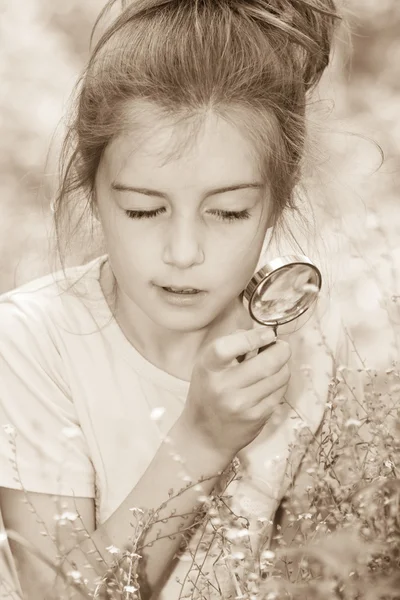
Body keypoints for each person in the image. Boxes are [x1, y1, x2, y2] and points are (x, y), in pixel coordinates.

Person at [0, 0, 347, 598]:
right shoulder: (32, 340)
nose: (183, 251)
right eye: (144, 209)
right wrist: (203, 440)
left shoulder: (301, 340)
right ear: (94, 194)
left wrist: (274, 449)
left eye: (228, 211)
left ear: (277, 204)